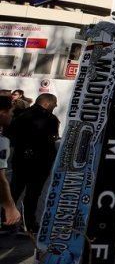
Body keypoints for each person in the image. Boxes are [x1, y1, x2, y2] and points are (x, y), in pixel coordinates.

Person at [6, 92, 59, 233]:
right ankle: (27, 224)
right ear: (47, 103)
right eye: (54, 103)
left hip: (21, 161)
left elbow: (12, 136)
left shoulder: (21, 115)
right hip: (39, 163)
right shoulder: (50, 119)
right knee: (32, 194)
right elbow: (51, 139)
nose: (56, 105)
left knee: (14, 191)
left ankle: (6, 220)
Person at [0, 95, 22, 229]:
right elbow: (0, 178)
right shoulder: (2, 141)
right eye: (11, 111)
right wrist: (10, 207)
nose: (12, 114)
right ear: (2, 112)